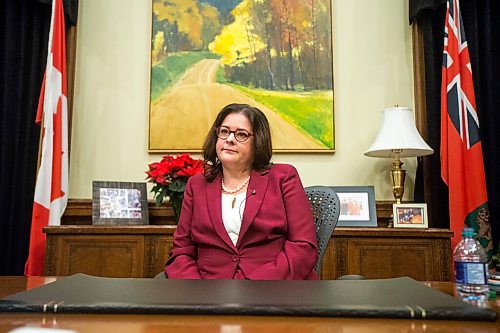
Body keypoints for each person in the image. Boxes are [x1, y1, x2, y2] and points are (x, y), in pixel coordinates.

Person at [165, 103, 318, 280]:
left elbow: (303, 246)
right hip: (210, 294)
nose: (229, 139)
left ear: (258, 142)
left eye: (241, 134)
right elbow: (182, 251)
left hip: (273, 290)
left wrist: (254, 286)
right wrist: (199, 292)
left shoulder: (283, 177)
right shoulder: (196, 185)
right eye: (224, 131)